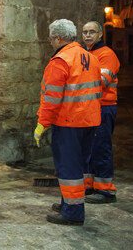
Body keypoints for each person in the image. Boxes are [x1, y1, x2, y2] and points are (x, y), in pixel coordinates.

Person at [34, 19, 102, 226]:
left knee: (68, 168)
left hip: (68, 123)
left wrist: (42, 124)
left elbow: (52, 98)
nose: (51, 42)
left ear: (57, 38)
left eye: (51, 38)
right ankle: (68, 203)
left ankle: (72, 212)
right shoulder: (91, 58)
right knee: (78, 167)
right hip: (89, 121)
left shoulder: (60, 61)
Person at [82, 21, 119, 203]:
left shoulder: (107, 54)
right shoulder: (88, 54)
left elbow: (101, 82)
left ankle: (106, 190)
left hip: (104, 106)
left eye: (92, 32)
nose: (88, 35)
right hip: (90, 107)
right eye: (85, 32)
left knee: (101, 147)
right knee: (89, 147)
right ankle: (89, 185)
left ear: (100, 35)